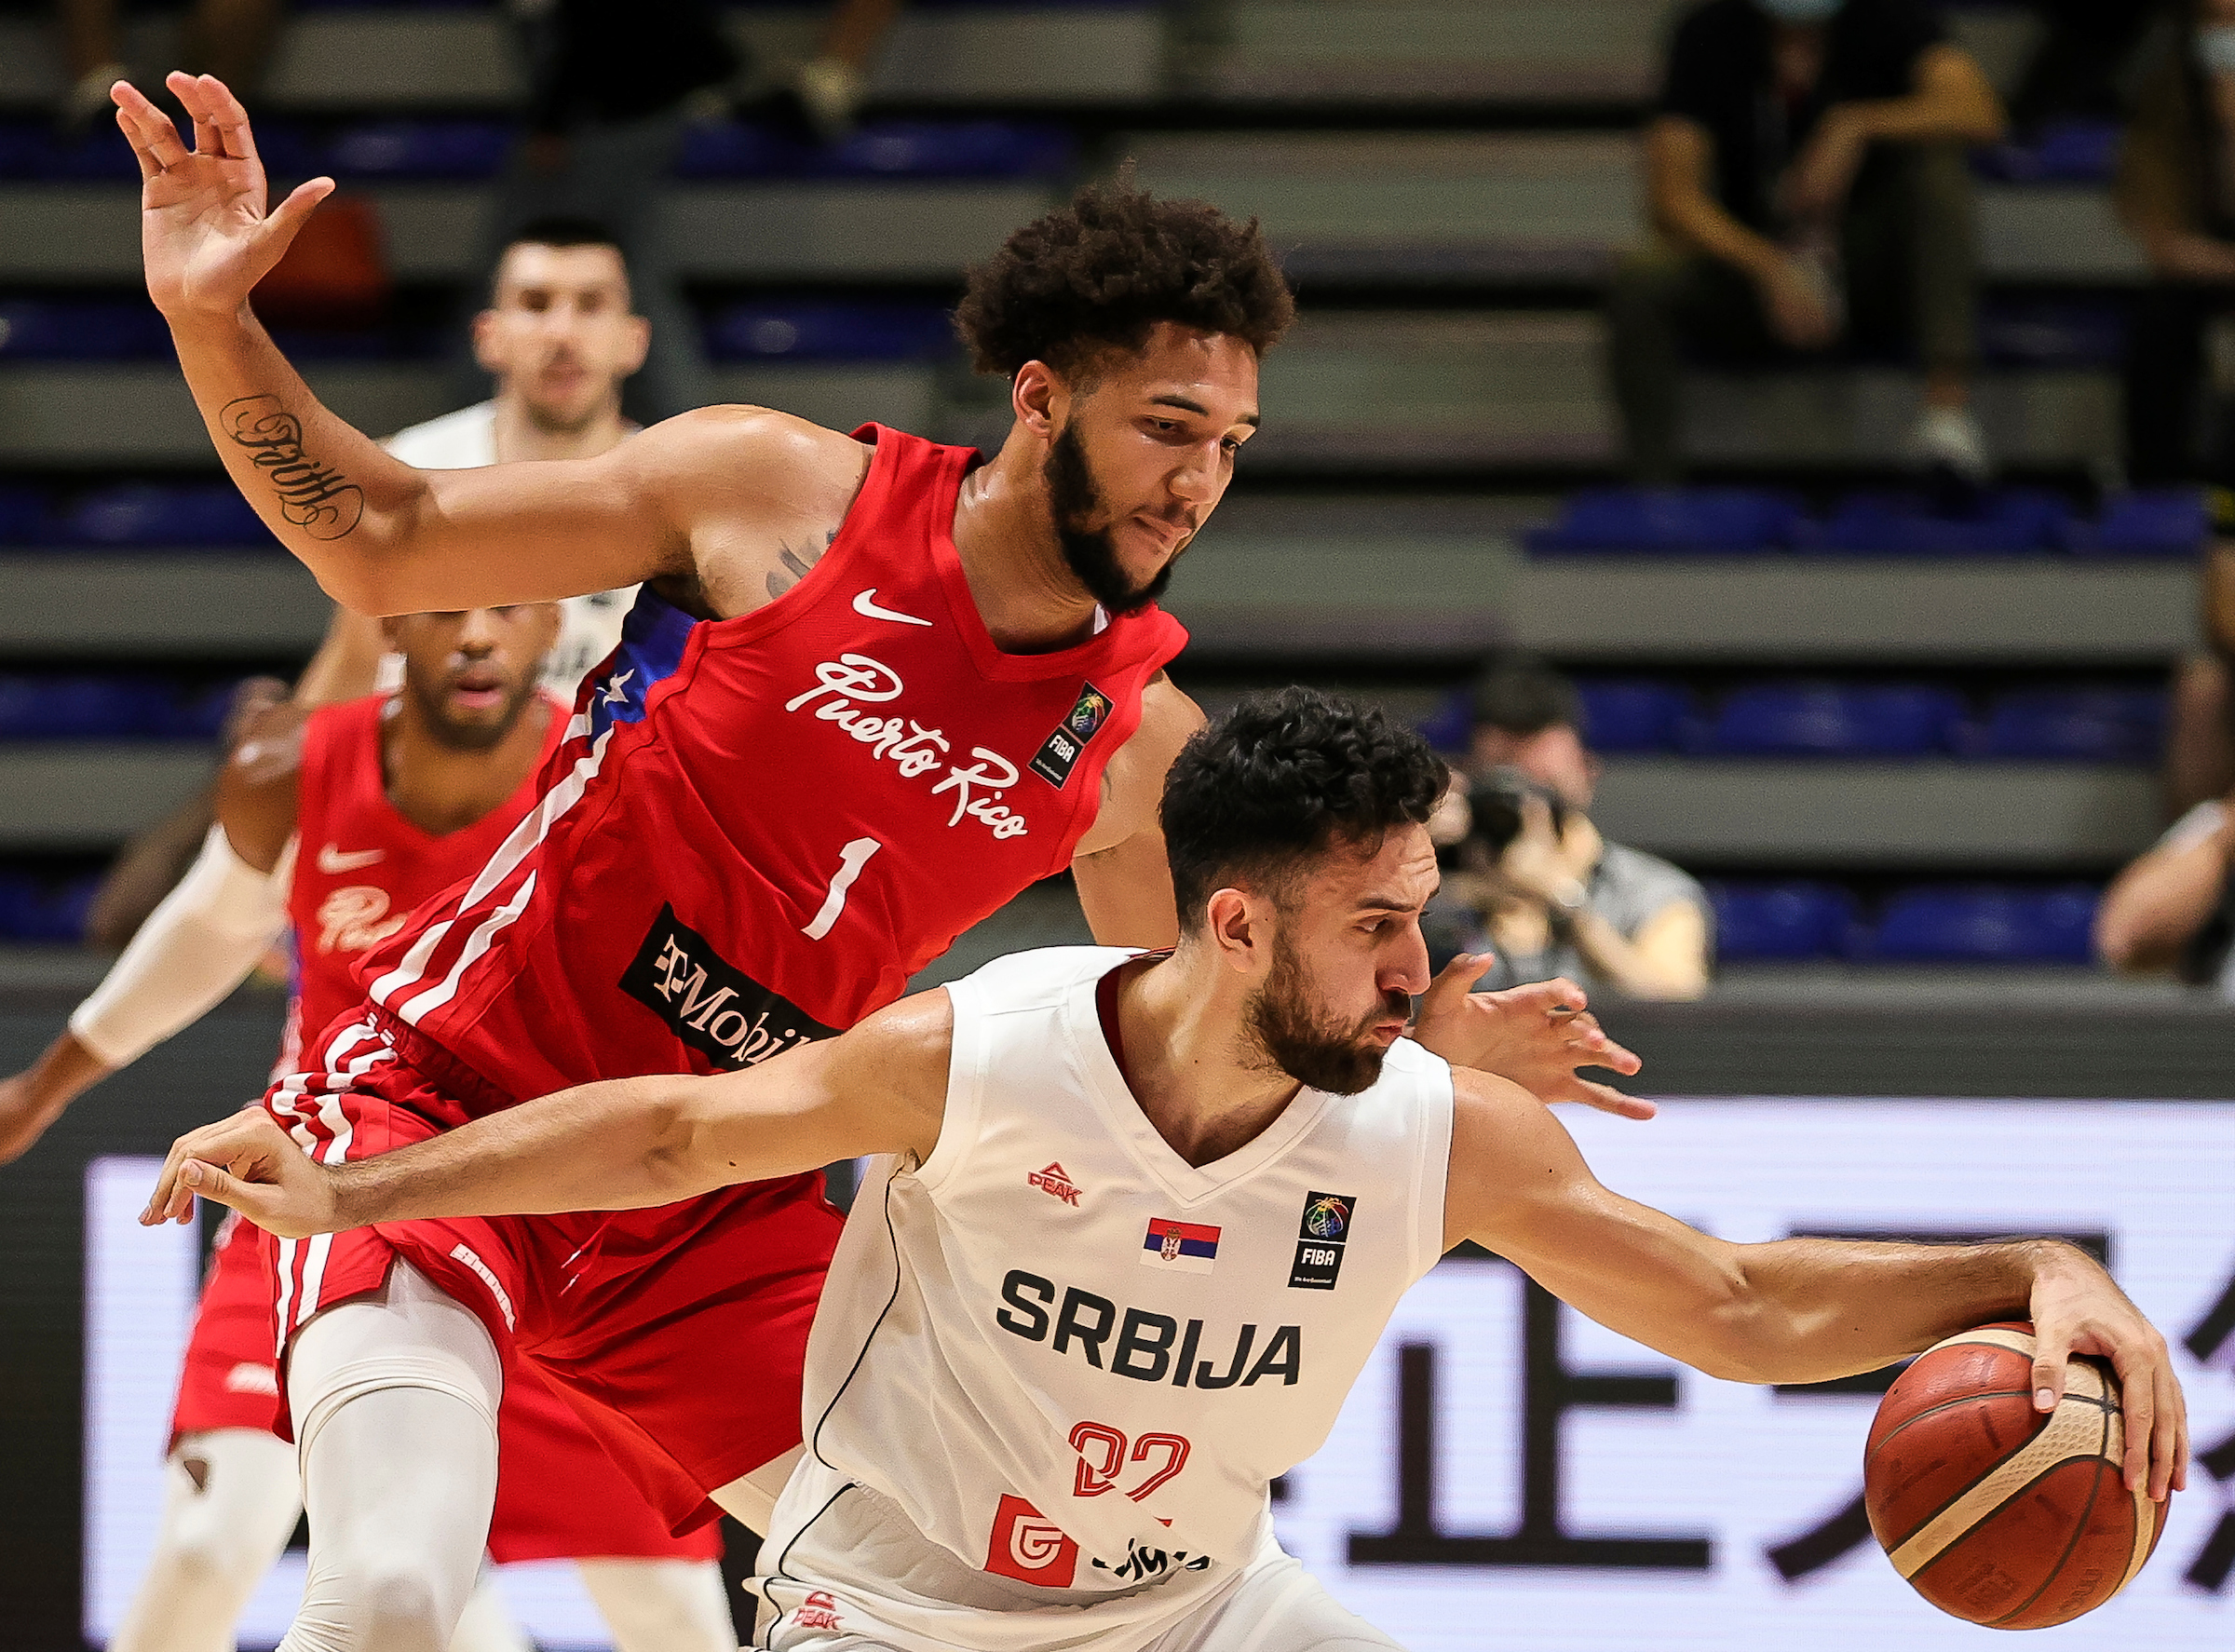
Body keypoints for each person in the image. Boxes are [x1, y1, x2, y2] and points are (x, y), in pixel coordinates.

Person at [109, 71, 1643, 1652]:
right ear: (1041, 399)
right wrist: (211, 317)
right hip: (449, 1103)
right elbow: (384, 535)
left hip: (723, 1204)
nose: (1199, 479)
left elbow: (1191, 1062)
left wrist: (1414, 1060)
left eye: (1234, 441)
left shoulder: (1134, 745)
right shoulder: (773, 494)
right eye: (1165, 427)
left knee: (1047, 1576)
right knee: (393, 1598)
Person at [146, 688, 2191, 1652]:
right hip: (897, 1614)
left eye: (1424, 909)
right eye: (1379, 922)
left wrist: (2027, 1268)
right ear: (1230, 927)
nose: (1430, 959)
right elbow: (674, 1125)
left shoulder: (1432, 1118)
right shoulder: (992, 1054)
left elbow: (1736, 1303)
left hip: (1197, 1610)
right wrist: (349, 1183)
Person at [0, 606, 739, 1652]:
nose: (476, 636)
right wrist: (42, 1086)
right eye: (447, 610)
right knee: (218, 1549)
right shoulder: (288, 767)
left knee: (672, 1620)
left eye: (505, 613)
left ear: (552, 631)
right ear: (390, 622)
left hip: (534, 1210)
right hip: (320, 1181)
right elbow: (208, 929)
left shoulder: (615, 780)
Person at [75, 213, 650, 951]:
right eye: (537, 303)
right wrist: (279, 778)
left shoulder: (667, 498)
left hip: (593, 855)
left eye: (591, 303)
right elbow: (348, 669)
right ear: (489, 335)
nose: (563, 332)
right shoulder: (404, 468)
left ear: (634, 338)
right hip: (415, 850)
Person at [1609, 0, 2006, 483]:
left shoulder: (1891, 20)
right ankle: (1653, 492)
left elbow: (1979, 112)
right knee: (1641, 277)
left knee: (1937, 168)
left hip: (1867, 271)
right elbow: (1670, 197)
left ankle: (1947, 417)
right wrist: (1769, 267)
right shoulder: (1708, 32)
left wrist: (1856, 124)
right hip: (1756, 269)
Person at [1443, 659, 1711, 1001]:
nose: (1528, 811)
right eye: (1504, 791)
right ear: (1466, 780)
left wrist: (1563, 901)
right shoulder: (1423, 887)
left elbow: (1680, 1010)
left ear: (1587, 775)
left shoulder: (1653, 892)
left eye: (1543, 789)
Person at [2118, 0, 2235, 487]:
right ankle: (2157, 485)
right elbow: (2163, 242)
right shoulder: (2169, 94)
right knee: (2162, 321)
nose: (2226, 38)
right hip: (2209, 268)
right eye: (2216, 24)